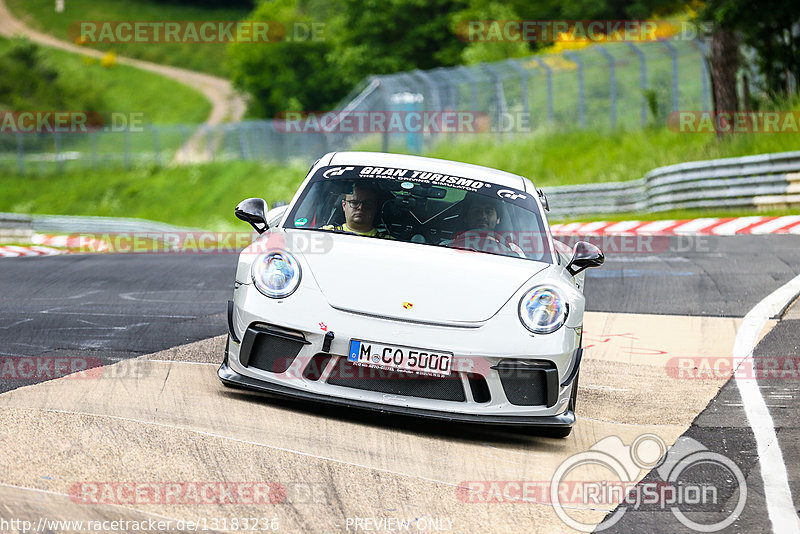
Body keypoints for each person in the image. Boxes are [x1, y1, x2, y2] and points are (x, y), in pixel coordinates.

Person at [322, 183, 390, 238]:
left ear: (375, 207)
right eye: (354, 203)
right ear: (344, 205)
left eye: (367, 204)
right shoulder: (324, 234)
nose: (360, 207)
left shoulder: (389, 243)